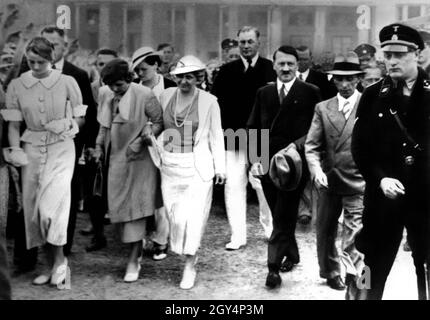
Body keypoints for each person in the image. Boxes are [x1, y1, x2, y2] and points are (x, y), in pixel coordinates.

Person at [351, 23, 430, 300]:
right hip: (383, 199)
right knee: (372, 264)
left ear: (417, 55)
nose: (392, 61)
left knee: (427, 267)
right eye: (387, 55)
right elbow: (360, 147)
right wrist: (380, 178)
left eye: (399, 55)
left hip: (425, 200)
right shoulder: (373, 96)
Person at [1, 37, 86, 288]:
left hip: (61, 147)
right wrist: (15, 148)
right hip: (32, 149)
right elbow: (14, 124)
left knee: (53, 208)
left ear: (51, 58)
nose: (36, 66)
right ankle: (50, 266)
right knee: (36, 212)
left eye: (41, 61)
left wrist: (69, 124)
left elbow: (80, 117)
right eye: (31, 61)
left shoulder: (66, 82)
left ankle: (61, 262)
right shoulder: (17, 85)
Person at [247, 45, 321, 288]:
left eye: (291, 64)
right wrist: (255, 159)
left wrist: (294, 147)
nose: (286, 68)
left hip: (295, 165)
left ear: (297, 65)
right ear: (274, 65)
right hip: (268, 165)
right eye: (281, 64)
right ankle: (293, 253)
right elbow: (253, 127)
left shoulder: (310, 91)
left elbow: (315, 129)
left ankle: (273, 268)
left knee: (282, 215)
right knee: (282, 214)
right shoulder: (263, 93)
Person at [158, 55, 225, 289]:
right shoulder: (165, 96)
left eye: (189, 77)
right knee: (175, 218)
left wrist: (221, 168)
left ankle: (190, 265)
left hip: (198, 168)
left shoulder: (209, 101)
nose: (184, 81)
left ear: (198, 78)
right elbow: (157, 124)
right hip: (170, 165)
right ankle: (184, 253)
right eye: (180, 77)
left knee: (194, 219)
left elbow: (217, 136)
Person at [94, 58, 163, 282]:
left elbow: (159, 121)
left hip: (140, 160)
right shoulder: (107, 94)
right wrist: (97, 148)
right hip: (115, 160)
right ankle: (136, 247)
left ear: (130, 79)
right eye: (111, 85)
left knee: (136, 209)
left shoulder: (145, 94)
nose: (115, 89)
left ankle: (134, 259)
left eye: (119, 85)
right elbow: (104, 127)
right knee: (120, 210)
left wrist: (145, 135)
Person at [305, 52, 365, 291]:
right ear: (333, 80)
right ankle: (330, 272)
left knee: (355, 232)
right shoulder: (323, 108)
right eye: (339, 79)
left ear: (359, 78)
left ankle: (356, 278)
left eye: (350, 78)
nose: (345, 84)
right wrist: (316, 170)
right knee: (325, 230)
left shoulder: (369, 105)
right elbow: (311, 145)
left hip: (358, 181)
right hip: (328, 180)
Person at [212, 26, 276, 250]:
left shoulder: (270, 69)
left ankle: (270, 230)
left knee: (262, 185)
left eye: (250, 41)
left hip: (261, 136)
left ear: (259, 42)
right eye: (242, 42)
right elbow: (218, 106)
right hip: (233, 135)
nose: (246, 46)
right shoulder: (226, 71)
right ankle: (237, 235)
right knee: (234, 185)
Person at [39, 26, 98, 257]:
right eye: (44, 44)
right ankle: (30, 254)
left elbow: (88, 114)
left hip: (67, 145)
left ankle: (64, 246)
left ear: (65, 46)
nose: (49, 49)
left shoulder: (77, 75)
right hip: (37, 144)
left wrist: (88, 144)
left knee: (66, 195)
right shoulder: (28, 69)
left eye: (54, 44)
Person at [131, 46, 176, 261]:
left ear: (156, 65)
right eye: (137, 70)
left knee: (162, 195)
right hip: (141, 146)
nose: (141, 74)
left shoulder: (170, 86)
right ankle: (138, 239)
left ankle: (161, 240)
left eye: (145, 69)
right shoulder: (134, 89)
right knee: (141, 192)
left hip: (166, 146)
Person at [81, 48, 118, 252]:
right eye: (101, 64)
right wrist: (90, 146)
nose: (105, 69)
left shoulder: (126, 88)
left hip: (118, 144)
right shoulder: (92, 88)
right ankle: (98, 233)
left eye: (109, 64)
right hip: (95, 144)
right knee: (94, 190)